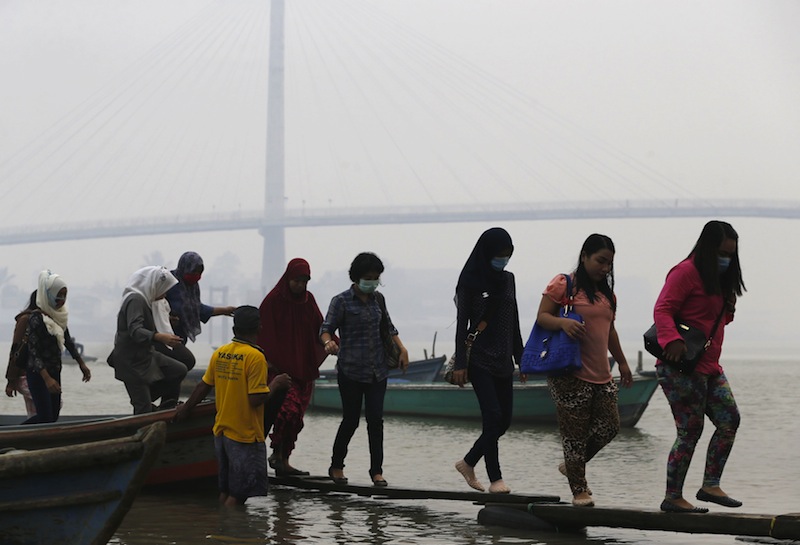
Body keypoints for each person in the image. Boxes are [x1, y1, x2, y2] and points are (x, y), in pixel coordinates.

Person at [653, 220, 745, 513]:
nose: (726, 259)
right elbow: (663, 309)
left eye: (730, 255)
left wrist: (728, 308)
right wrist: (671, 340)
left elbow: (711, 321)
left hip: (709, 366)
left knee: (730, 420)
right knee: (690, 429)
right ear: (707, 248)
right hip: (680, 367)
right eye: (722, 253)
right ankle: (673, 496)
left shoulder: (719, 280)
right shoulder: (685, 272)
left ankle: (710, 485)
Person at [535, 234, 633, 507]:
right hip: (569, 372)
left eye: (609, 264)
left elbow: (609, 330)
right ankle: (580, 490)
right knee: (574, 436)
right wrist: (563, 323)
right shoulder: (564, 284)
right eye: (600, 261)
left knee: (610, 427)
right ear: (584, 256)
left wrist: (622, 362)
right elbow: (542, 317)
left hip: (601, 373)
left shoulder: (607, 295)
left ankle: (572, 464)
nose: (605, 268)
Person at [176, 306, 291, 506]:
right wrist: (276, 384)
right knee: (239, 495)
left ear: (234, 330)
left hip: (221, 431)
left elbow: (204, 385)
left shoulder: (221, 352)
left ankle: (223, 530)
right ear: (259, 328)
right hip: (244, 434)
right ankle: (232, 531)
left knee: (227, 489)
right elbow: (256, 399)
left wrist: (186, 409)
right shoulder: (255, 357)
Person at [320, 252, 409, 487]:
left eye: (376, 278)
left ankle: (376, 472)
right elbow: (326, 328)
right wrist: (328, 342)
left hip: (377, 370)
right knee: (350, 420)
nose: (372, 282)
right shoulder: (341, 301)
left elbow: (389, 328)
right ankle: (336, 466)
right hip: (350, 370)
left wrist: (402, 350)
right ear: (357, 277)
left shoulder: (378, 300)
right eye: (368, 278)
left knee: (375, 421)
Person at [451, 227, 525, 495]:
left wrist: (521, 357)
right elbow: (462, 326)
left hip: (504, 359)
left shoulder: (508, 280)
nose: (503, 260)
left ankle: (468, 462)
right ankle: (496, 480)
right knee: (492, 418)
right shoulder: (469, 281)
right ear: (486, 253)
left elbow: (514, 319)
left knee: (504, 421)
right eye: (499, 255)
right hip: (480, 359)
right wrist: (461, 363)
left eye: (508, 255)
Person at [258, 258, 330, 476]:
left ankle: (283, 459)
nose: (300, 286)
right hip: (279, 372)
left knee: (296, 417)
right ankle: (275, 455)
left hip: (302, 370)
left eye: (304, 281)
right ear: (288, 278)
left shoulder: (308, 302)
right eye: (296, 281)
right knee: (286, 412)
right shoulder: (273, 301)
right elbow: (262, 333)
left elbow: (321, 327)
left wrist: (330, 341)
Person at [110, 266, 188, 414]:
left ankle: (151, 402)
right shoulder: (135, 300)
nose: (164, 294)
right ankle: (142, 415)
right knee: (143, 409)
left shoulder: (146, 300)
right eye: (163, 289)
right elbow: (135, 330)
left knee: (179, 370)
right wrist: (160, 337)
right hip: (131, 361)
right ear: (154, 286)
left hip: (146, 354)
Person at [21, 271, 92, 424]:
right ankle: (9, 435)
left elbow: (68, 342)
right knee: (45, 417)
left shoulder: (59, 316)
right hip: (38, 373)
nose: (62, 300)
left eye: (65, 295)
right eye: (58, 295)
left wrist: (82, 364)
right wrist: (47, 379)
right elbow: (33, 352)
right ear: (49, 294)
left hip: (55, 370)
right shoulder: (36, 318)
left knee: (53, 417)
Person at [162, 251, 236, 371]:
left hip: (180, 336)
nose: (196, 275)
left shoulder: (192, 286)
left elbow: (197, 309)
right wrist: (167, 318)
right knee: (186, 362)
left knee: (179, 367)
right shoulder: (168, 282)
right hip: (164, 336)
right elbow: (157, 305)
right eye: (193, 271)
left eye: (199, 272)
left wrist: (225, 310)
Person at [5, 292, 40, 417]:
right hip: (24, 375)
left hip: (40, 375)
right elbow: (16, 349)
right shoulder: (26, 320)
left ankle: (33, 434)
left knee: (35, 413)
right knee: (50, 405)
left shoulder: (47, 320)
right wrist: (11, 380)